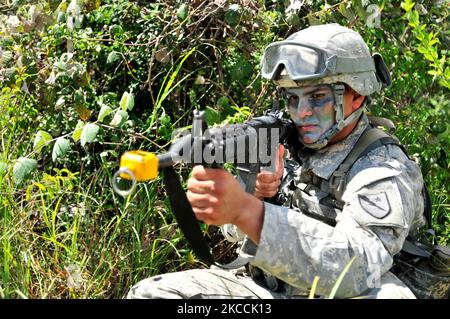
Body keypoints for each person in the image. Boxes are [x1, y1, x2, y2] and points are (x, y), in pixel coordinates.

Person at [127, 23, 426, 299]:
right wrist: (256, 195)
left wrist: (249, 211)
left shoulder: (383, 167)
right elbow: (236, 237)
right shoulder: (291, 142)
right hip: (267, 292)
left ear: (357, 96)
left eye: (317, 96)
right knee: (152, 294)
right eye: (293, 99)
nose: (302, 113)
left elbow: (358, 267)